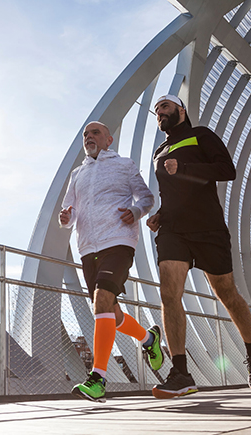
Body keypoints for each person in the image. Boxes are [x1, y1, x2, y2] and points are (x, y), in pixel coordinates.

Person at [147, 94, 251, 399]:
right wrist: (161, 214)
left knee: (227, 293)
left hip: (208, 227)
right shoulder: (159, 152)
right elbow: (172, 190)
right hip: (174, 231)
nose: (159, 111)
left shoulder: (200, 135)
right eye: (157, 109)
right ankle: (181, 372)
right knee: (168, 293)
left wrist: (185, 166)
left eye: (165, 106)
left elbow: (227, 170)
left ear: (181, 111)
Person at [59, 121, 163, 403]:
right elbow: (70, 210)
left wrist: (135, 210)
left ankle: (98, 378)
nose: (88, 138)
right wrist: (66, 218)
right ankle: (149, 340)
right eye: (85, 135)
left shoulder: (125, 165)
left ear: (108, 139)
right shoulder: (77, 174)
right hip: (87, 247)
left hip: (118, 241)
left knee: (103, 299)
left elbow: (146, 197)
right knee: (109, 311)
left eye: (94, 133)